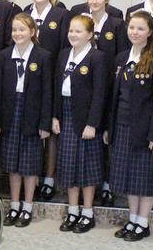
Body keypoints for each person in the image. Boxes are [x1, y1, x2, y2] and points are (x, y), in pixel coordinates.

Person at [108, 10, 153, 241]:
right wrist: (110, 128)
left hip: (147, 129)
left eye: (140, 28)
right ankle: (132, 220)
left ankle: (143, 223)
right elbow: (114, 97)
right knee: (129, 177)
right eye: (132, 27)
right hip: (122, 125)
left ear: (150, 32)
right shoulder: (122, 57)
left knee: (144, 177)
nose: (134, 32)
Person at [0, 13, 52, 228]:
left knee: (29, 164)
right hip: (10, 113)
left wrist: (45, 123)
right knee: (12, 164)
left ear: (33, 32)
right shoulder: (3, 55)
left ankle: (27, 206)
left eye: (22, 29)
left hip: (32, 115)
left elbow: (47, 92)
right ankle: (14, 205)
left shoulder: (43, 56)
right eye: (15, 29)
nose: (18, 33)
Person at [53, 15, 107, 233]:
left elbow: (100, 93)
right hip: (65, 116)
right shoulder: (64, 54)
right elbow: (57, 87)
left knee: (86, 168)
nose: (73, 35)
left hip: (85, 121)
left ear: (89, 35)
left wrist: (93, 123)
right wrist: (55, 116)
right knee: (69, 167)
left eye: (78, 31)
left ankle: (87, 213)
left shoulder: (97, 57)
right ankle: (73, 210)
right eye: (71, 31)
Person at [24, 0, 70, 201]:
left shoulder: (61, 14)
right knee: (32, 127)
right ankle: (32, 173)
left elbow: (65, 48)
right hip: (29, 80)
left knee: (51, 130)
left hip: (52, 77)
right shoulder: (25, 13)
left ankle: (50, 179)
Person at [86, 0, 130, 206]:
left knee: (107, 136)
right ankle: (93, 181)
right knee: (93, 140)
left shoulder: (117, 24)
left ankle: (108, 185)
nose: (94, 2)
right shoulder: (83, 23)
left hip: (110, 86)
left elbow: (123, 54)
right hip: (88, 88)